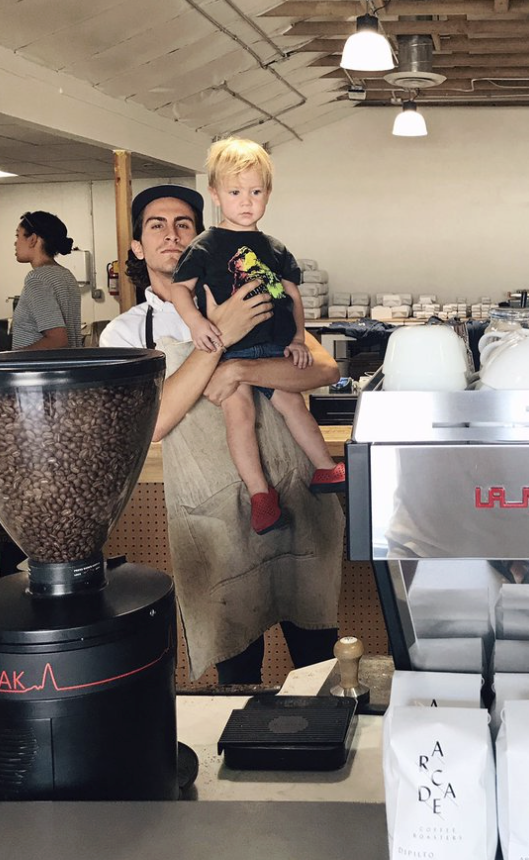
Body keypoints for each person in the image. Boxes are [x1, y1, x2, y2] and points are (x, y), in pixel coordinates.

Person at [100, 184, 345, 685]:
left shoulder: (253, 294)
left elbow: (323, 369)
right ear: (138, 247)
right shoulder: (125, 334)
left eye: (184, 225)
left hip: (292, 497)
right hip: (215, 517)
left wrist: (240, 371)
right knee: (237, 665)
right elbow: (153, 423)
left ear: (204, 239)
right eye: (156, 226)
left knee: (317, 653)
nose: (172, 235)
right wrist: (220, 339)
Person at [169, 138, 345, 535]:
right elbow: (180, 289)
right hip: (230, 351)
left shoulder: (274, 248)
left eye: (255, 192)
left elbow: (292, 295)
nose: (246, 202)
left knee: (294, 405)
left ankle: (324, 468)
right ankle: (260, 495)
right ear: (215, 195)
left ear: (268, 194)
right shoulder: (204, 246)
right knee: (241, 415)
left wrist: (297, 338)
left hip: (273, 350)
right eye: (235, 192)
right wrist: (197, 323)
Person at [11, 210, 82, 350]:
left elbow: (58, 340)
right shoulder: (66, 275)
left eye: (18, 235)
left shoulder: (37, 279)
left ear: (33, 239)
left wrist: (11, 357)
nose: (15, 243)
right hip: (68, 363)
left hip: (40, 365)